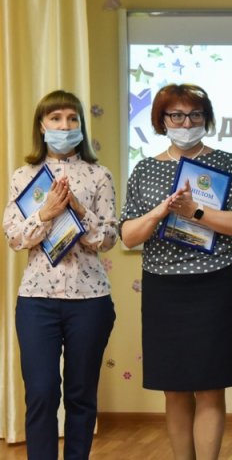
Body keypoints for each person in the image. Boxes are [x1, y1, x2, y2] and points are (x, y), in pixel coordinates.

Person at [119, 84, 232, 460]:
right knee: (174, 388)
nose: (186, 123)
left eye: (195, 115)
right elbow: (128, 235)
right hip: (164, 289)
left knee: (211, 387)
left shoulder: (226, 163)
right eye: (176, 115)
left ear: (206, 119)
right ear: (161, 121)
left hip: (214, 285)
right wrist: (161, 212)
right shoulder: (145, 169)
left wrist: (194, 210)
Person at [3, 90, 117, 460]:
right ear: (42, 125)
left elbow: (106, 239)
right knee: (41, 391)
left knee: (82, 394)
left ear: (81, 125)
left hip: (90, 301)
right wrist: (47, 212)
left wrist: (80, 210)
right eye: (55, 119)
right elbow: (14, 237)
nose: (64, 125)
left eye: (72, 118)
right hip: (37, 301)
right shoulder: (24, 175)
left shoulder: (99, 175)